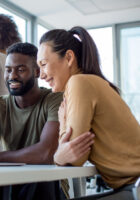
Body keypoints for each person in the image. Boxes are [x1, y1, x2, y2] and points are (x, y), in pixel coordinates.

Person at [37, 26, 140, 199]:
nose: (41, 75)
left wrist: (62, 126)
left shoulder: (79, 83)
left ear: (69, 58)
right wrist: (61, 154)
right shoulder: (92, 83)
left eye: (44, 64)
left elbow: (74, 158)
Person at [0, 42, 63, 200]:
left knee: (36, 183)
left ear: (37, 71)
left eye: (21, 70)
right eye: (8, 70)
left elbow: (45, 154)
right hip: (12, 183)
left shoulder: (54, 100)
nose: (12, 76)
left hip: (48, 184)